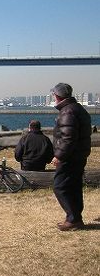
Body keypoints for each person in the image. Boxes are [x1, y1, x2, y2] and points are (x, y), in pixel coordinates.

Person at [50, 83, 92, 231]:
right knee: (74, 187)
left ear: (56, 95)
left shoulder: (67, 112)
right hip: (79, 155)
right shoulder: (77, 108)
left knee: (60, 186)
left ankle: (73, 218)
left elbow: (68, 138)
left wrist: (59, 156)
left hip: (70, 157)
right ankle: (76, 218)